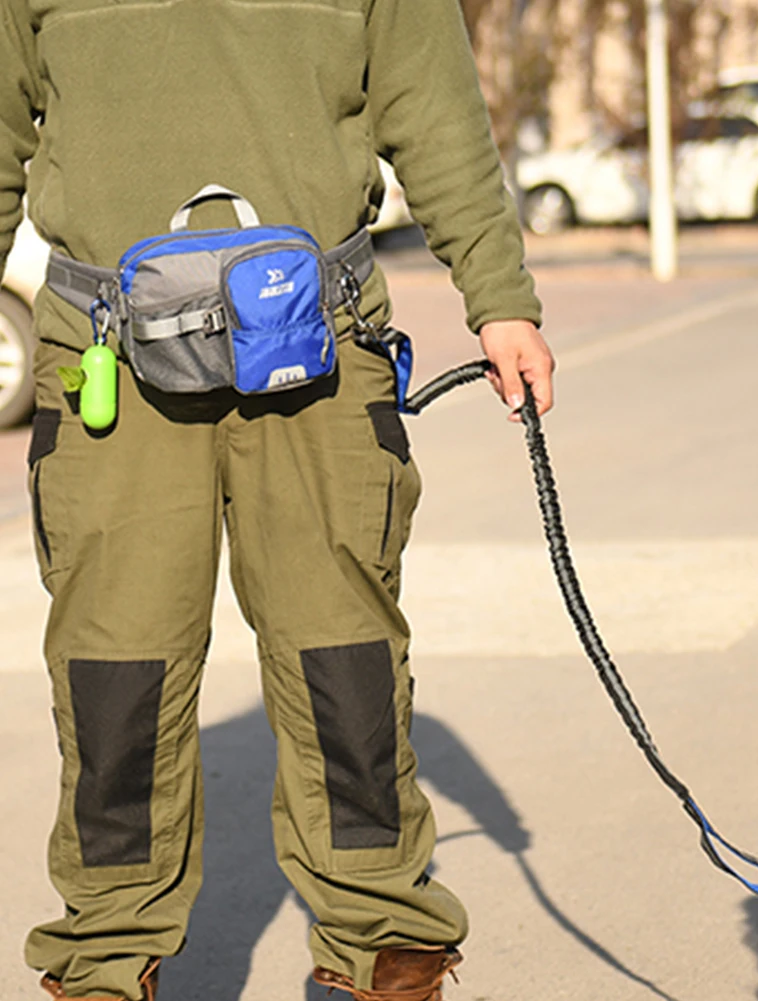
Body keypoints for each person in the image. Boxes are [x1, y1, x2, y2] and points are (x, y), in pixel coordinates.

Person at [0, 0, 554, 998]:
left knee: (343, 659)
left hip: (316, 349)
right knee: (113, 674)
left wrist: (500, 298)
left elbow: (434, 113)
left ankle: (384, 937)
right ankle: (107, 955)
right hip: (108, 363)